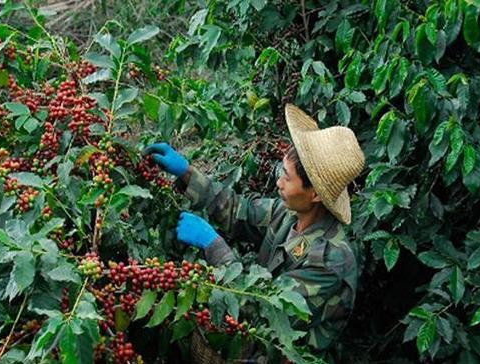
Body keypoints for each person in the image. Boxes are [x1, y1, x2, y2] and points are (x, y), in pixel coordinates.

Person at [144, 104, 365, 353]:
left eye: (288, 178)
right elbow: (241, 211)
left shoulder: (330, 262)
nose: (279, 182)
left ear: (314, 194)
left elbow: (264, 308)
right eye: (282, 171)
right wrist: (187, 173)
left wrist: (213, 245)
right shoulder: (289, 212)